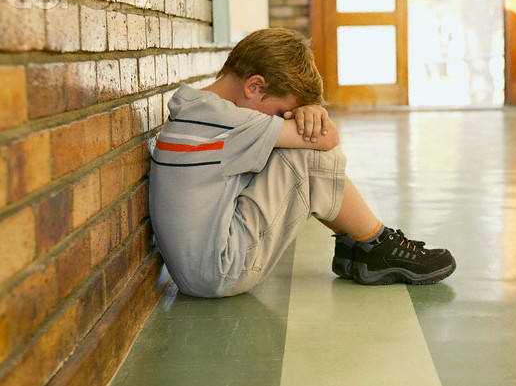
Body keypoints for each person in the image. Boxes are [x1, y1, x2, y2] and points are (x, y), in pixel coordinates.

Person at [149, 28, 456, 298]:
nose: (283, 118)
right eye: (282, 111)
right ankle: (375, 244)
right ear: (254, 87)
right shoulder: (226, 121)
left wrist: (302, 113)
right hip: (221, 271)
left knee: (289, 148)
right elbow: (325, 139)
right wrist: (312, 115)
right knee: (307, 155)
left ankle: (360, 244)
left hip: (198, 270)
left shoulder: (194, 107)